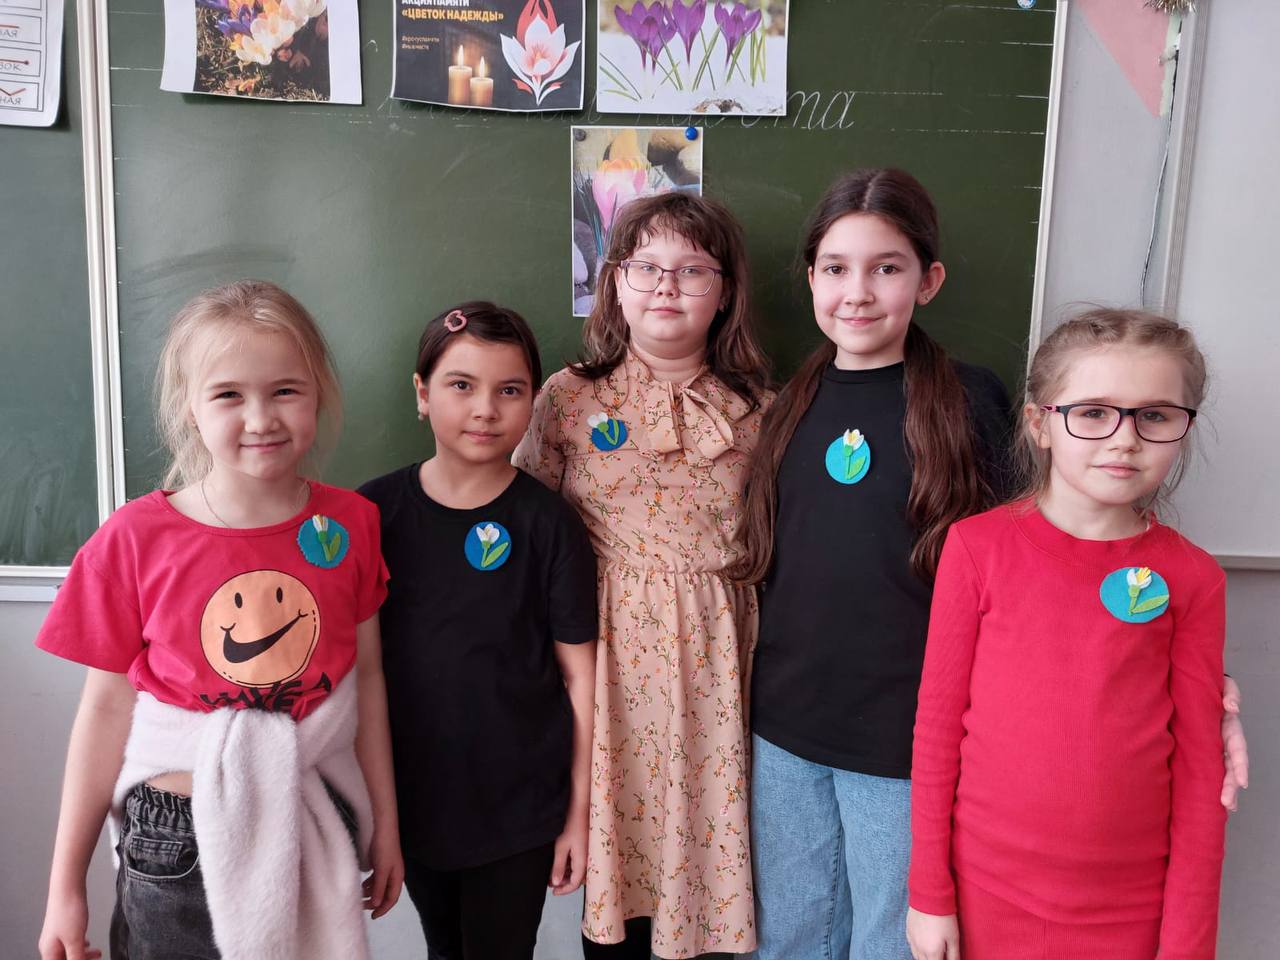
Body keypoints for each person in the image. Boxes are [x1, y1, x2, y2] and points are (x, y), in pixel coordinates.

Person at [36, 280, 402, 960]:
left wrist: (386, 823)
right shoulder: (133, 538)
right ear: (190, 407)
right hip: (175, 837)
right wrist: (66, 885)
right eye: (229, 394)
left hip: (316, 813)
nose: (261, 418)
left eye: (285, 390)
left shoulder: (353, 523)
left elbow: (370, 681)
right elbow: (105, 710)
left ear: (319, 393)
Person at [730, 168, 1012, 960]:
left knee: (892, 939)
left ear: (929, 281)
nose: (857, 292)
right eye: (836, 268)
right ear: (811, 279)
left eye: (886, 268)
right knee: (789, 937)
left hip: (906, 740)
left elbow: (1025, 565)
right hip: (785, 731)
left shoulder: (969, 401)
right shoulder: (784, 407)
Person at [908, 309, 1226, 960]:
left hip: (1130, 912)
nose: (1124, 439)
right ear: (1039, 424)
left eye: (1154, 415)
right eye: (1093, 412)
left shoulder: (1194, 577)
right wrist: (929, 894)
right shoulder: (976, 550)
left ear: (1184, 428)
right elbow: (937, 730)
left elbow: (1202, 777)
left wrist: (1187, 943)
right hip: (985, 895)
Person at [516, 192, 772, 958]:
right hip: (607, 659)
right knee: (618, 859)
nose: (666, 285)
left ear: (724, 293)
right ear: (615, 284)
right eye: (647, 267)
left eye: (692, 270)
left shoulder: (762, 409)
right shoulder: (568, 396)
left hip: (719, 660)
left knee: (708, 851)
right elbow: (527, 529)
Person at [358, 302, 598, 960]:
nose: (485, 409)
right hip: (414, 798)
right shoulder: (372, 514)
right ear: (422, 394)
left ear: (534, 400)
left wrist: (577, 815)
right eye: (461, 385)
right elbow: (362, 673)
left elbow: (580, 678)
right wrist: (380, 815)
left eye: (509, 390)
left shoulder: (550, 524)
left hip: (520, 808)